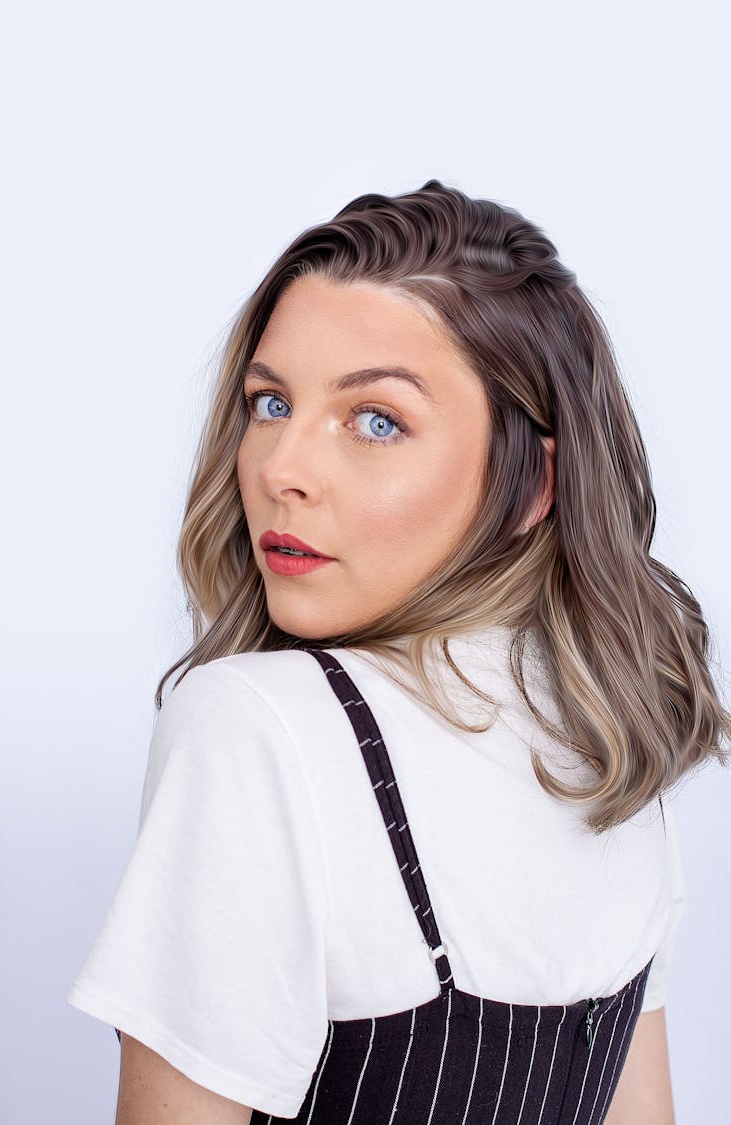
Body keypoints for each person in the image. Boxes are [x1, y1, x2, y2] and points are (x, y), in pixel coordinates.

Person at [66, 180, 730, 1124]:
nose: (281, 469)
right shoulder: (616, 740)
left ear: (532, 480)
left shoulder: (256, 726)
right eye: (269, 402)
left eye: (376, 420)